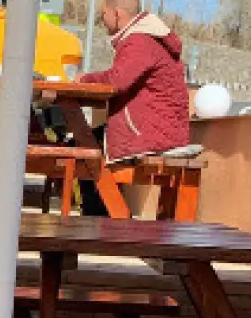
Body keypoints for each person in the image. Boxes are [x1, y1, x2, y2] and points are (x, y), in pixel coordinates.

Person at [73, 0, 190, 215]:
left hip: (150, 133)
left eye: (103, 14)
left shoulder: (139, 40)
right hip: (159, 129)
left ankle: (100, 218)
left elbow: (117, 80)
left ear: (117, 14)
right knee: (84, 143)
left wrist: (84, 80)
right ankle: (101, 215)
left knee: (82, 148)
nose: (101, 20)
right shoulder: (146, 37)